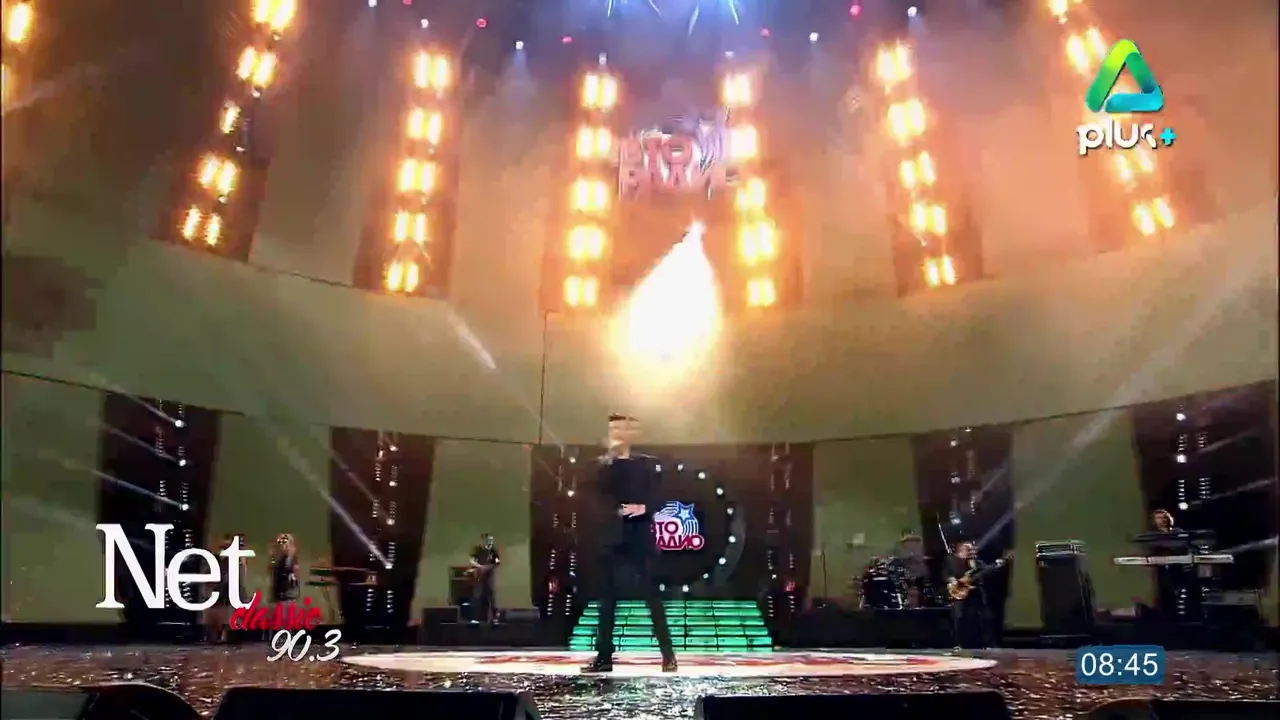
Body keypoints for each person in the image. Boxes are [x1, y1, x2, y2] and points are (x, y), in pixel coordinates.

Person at [581, 414, 677, 674]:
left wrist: (644, 507)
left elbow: (662, 495)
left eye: (622, 428)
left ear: (632, 432)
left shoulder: (647, 464)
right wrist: (614, 511)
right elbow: (592, 496)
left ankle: (668, 655)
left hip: (639, 536)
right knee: (607, 599)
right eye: (613, 428)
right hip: (611, 537)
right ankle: (604, 657)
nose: (617, 433)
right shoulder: (602, 465)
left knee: (652, 596)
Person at [944, 541, 1005, 649]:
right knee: (958, 617)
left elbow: (986, 571)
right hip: (959, 592)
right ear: (961, 550)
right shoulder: (951, 560)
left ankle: (987, 643)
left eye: (972, 549)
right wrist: (953, 581)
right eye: (968, 549)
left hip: (976, 591)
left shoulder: (977, 562)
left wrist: (995, 565)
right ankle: (957, 643)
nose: (971, 551)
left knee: (985, 616)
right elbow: (946, 574)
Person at [469, 533, 501, 624]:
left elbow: (497, 562)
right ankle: (476, 618)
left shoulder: (493, 551)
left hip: (489, 577)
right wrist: (480, 567)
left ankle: (494, 618)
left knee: (491, 597)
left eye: (491, 540)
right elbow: (472, 560)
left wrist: (489, 567)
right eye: (489, 540)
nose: (490, 542)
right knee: (477, 596)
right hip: (479, 577)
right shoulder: (478, 550)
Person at [270, 533, 300, 603]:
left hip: (287, 594)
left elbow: (294, 574)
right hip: (280, 593)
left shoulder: (291, 559)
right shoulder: (279, 559)